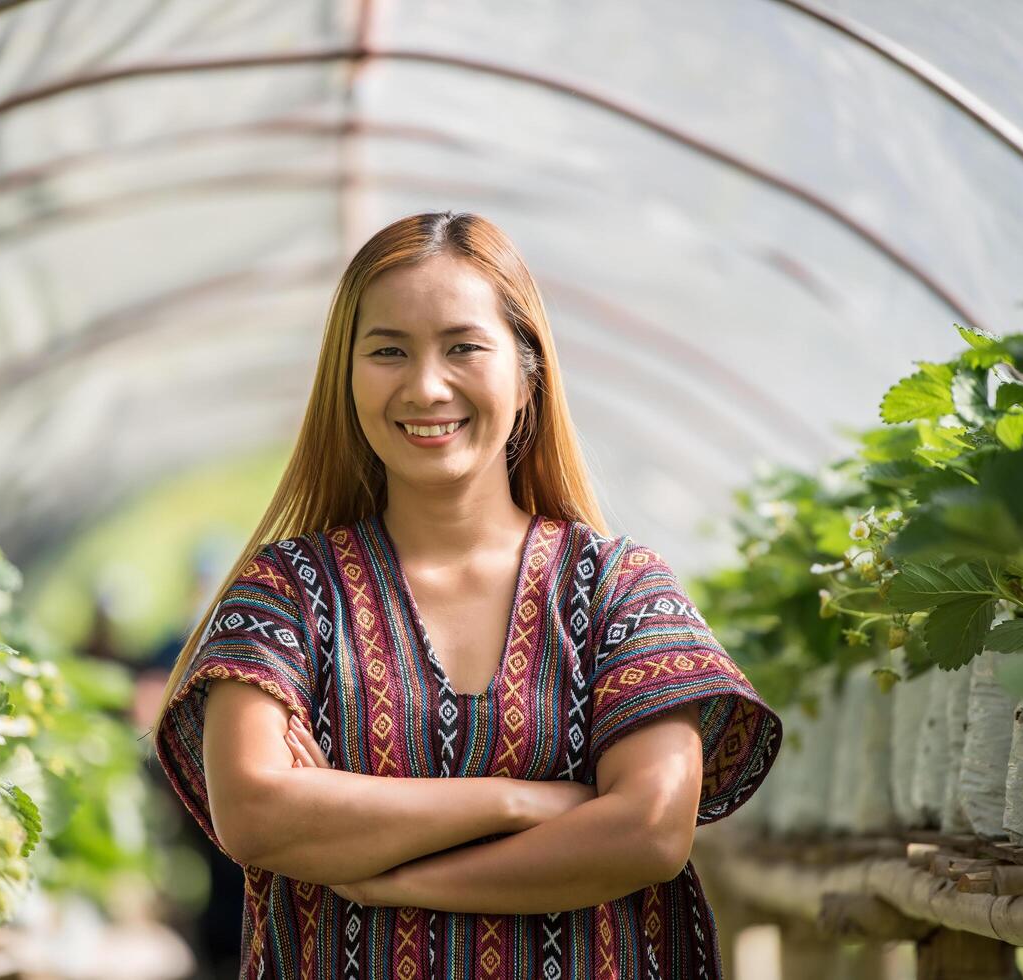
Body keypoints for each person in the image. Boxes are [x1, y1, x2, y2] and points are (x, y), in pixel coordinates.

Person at [148, 210, 783, 979]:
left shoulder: (620, 590)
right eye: (387, 351)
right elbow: (254, 813)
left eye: (463, 348)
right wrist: (522, 802)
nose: (424, 386)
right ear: (345, 378)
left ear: (526, 372)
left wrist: (395, 881)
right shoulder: (286, 594)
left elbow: (649, 830)